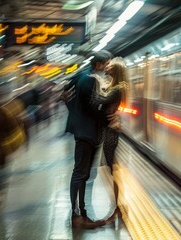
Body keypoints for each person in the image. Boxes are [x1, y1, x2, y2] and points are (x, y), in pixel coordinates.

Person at [63, 50, 115, 229]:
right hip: (87, 132)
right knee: (80, 173)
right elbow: (94, 107)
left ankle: (81, 213)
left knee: (83, 174)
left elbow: (65, 93)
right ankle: (77, 216)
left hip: (85, 130)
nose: (108, 68)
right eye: (107, 64)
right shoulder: (89, 80)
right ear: (99, 64)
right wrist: (108, 119)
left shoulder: (81, 77)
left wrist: (74, 112)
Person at [89, 57, 129, 223]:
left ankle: (118, 207)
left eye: (110, 66)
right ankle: (118, 207)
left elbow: (99, 101)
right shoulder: (116, 87)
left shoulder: (118, 89)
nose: (107, 66)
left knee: (112, 169)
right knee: (111, 169)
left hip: (111, 132)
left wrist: (93, 86)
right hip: (110, 130)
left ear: (116, 70)